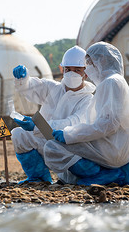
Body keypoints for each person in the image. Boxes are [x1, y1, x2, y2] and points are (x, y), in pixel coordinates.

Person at [49, 41, 129, 186]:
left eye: (89, 63)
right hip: (119, 148)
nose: (87, 70)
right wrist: (72, 133)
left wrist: (69, 135)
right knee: (67, 146)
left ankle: (104, 175)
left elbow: (108, 125)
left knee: (53, 147)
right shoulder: (114, 82)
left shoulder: (110, 83)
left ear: (102, 61)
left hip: (114, 150)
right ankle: (102, 174)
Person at [11, 45, 96, 184]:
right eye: (68, 69)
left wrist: (37, 126)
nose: (71, 73)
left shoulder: (88, 100)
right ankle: (38, 178)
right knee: (19, 135)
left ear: (86, 73)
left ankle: (75, 176)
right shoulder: (54, 89)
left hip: (70, 147)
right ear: (62, 69)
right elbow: (31, 87)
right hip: (47, 138)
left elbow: (72, 124)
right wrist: (23, 79)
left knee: (73, 180)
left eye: (77, 70)